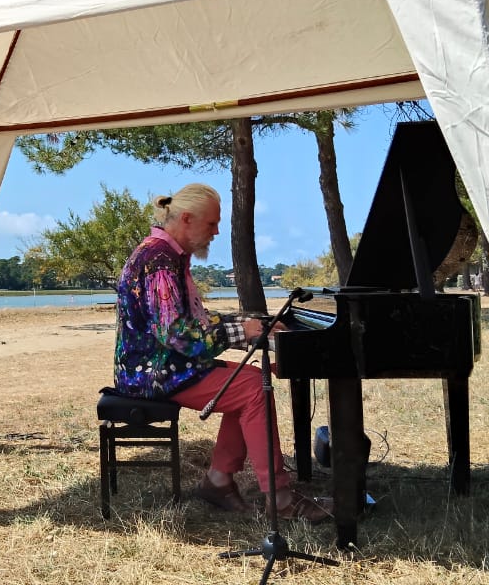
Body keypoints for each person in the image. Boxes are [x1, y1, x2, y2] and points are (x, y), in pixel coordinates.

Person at [112, 183, 331, 522]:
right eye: (212, 224)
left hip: (163, 366)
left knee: (246, 380)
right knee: (253, 389)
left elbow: (194, 323)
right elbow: (177, 335)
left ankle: (218, 481)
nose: (216, 232)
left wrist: (254, 327)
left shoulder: (167, 255)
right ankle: (281, 499)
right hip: (151, 374)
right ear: (186, 218)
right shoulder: (158, 260)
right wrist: (243, 331)